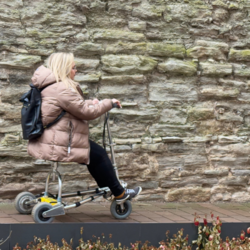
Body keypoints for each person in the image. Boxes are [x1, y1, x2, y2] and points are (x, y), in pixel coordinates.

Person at [27, 52, 142, 202]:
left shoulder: (50, 86)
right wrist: (108, 103)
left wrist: (91, 103)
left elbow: (70, 107)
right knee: (99, 154)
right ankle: (119, 193)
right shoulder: (62, 88)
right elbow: (86, 113)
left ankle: (108, 189)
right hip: (59, 143)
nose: (76, 71)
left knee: (92, 156)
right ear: (65, 69)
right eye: (74, 67)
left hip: (50, 139)